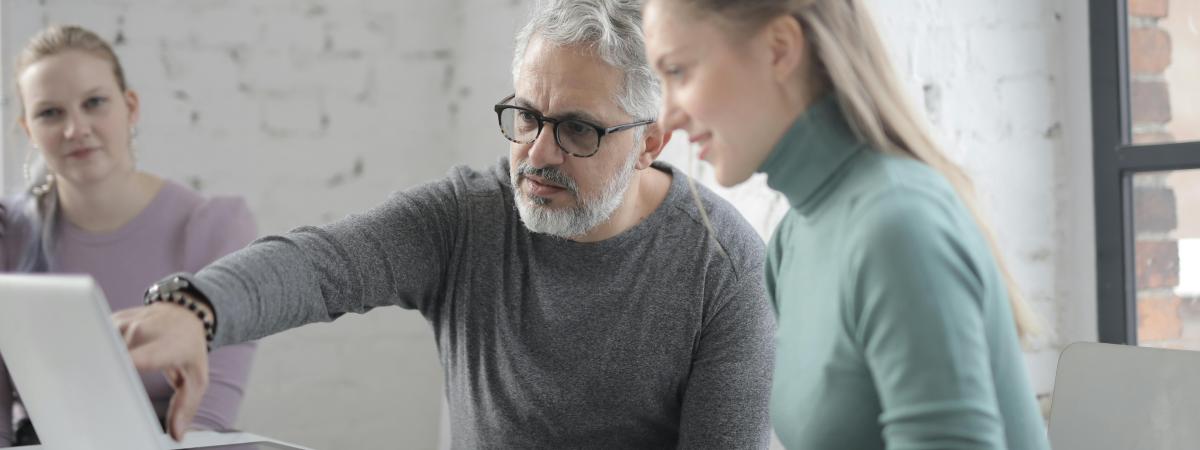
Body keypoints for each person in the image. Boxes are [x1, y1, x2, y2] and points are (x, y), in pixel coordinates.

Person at [115, 1, 776, 448]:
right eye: (526, 117)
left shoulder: (725, 270)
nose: (538, 154)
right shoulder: (468, 217)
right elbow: (320, 266)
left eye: (576, 129)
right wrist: (194, 307)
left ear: (651, 143)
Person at [641, 0, 1052, 448]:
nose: (667, 117)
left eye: (678, 71)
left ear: (779, 49)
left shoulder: (899, 228)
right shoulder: (793, 238)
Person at [0, 25, 258, 447]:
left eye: (94, 102)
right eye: (50, 113)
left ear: (130, 106)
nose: (74, 129)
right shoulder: (7, 229)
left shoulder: (214, 226)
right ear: (28, 129)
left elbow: (207, 418)